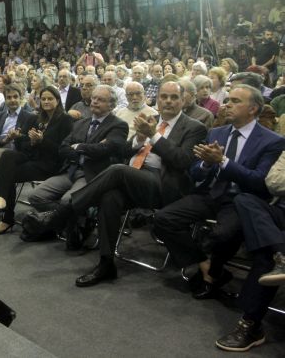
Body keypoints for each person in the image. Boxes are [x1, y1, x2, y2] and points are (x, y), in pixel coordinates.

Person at [27, 81, 207, 285]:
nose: (167, 101)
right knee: (109, 196)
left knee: (116, 170)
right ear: (157, 99)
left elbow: (182, 160)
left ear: (183, 100)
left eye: (174, 97)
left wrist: (153, 136)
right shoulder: (151, 120)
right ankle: (106, 263)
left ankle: (62, 213)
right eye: (163, 96)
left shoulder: (194, 127)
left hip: (163, 185)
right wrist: (138, 140)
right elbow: (124, 151)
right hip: (134, 176)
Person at [154, 85, 285, 301]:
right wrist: (206, 165)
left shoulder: (271, 141)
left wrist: (222, 161)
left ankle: (212, 274)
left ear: (253, 109)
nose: (227, 104)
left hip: (241, 200)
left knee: (223, 235)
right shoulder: (217, 132)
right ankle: (207, 267)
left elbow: (260, 182)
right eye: (228, 100)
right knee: (163, 218)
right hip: (211, 193)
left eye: (235, 101)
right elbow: (196, 173)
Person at [22, 85, 128, 241]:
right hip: (70, 169)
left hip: (93, 174)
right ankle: (75, 221)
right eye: (94, 98)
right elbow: (63, 148)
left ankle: (53, 224)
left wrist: (79, 146)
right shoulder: (80, 123)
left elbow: (106, 149)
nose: (95, 102)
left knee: (67, 200)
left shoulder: (118, 125)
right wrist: (89, 150)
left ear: (111, 105)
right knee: (36, 196)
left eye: (101, 99)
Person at [214, 151, 285, 352]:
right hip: (279, 213)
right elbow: (272, 182)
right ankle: (282, 254)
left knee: (266, 254)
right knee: (245, 200)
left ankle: (250, 325)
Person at [0, 86, 74, 235]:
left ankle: (7, 218)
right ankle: (2, 200)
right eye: (43, 99)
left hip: (50, 164)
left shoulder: (65, 120)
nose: (46, 101)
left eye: (50, 98)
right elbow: (22, 144)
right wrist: (29, 141)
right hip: (31, 156)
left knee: (8, 174)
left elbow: (63, 150)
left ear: (58, 100)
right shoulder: (35, 117)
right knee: (8, 155)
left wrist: (42, 141)